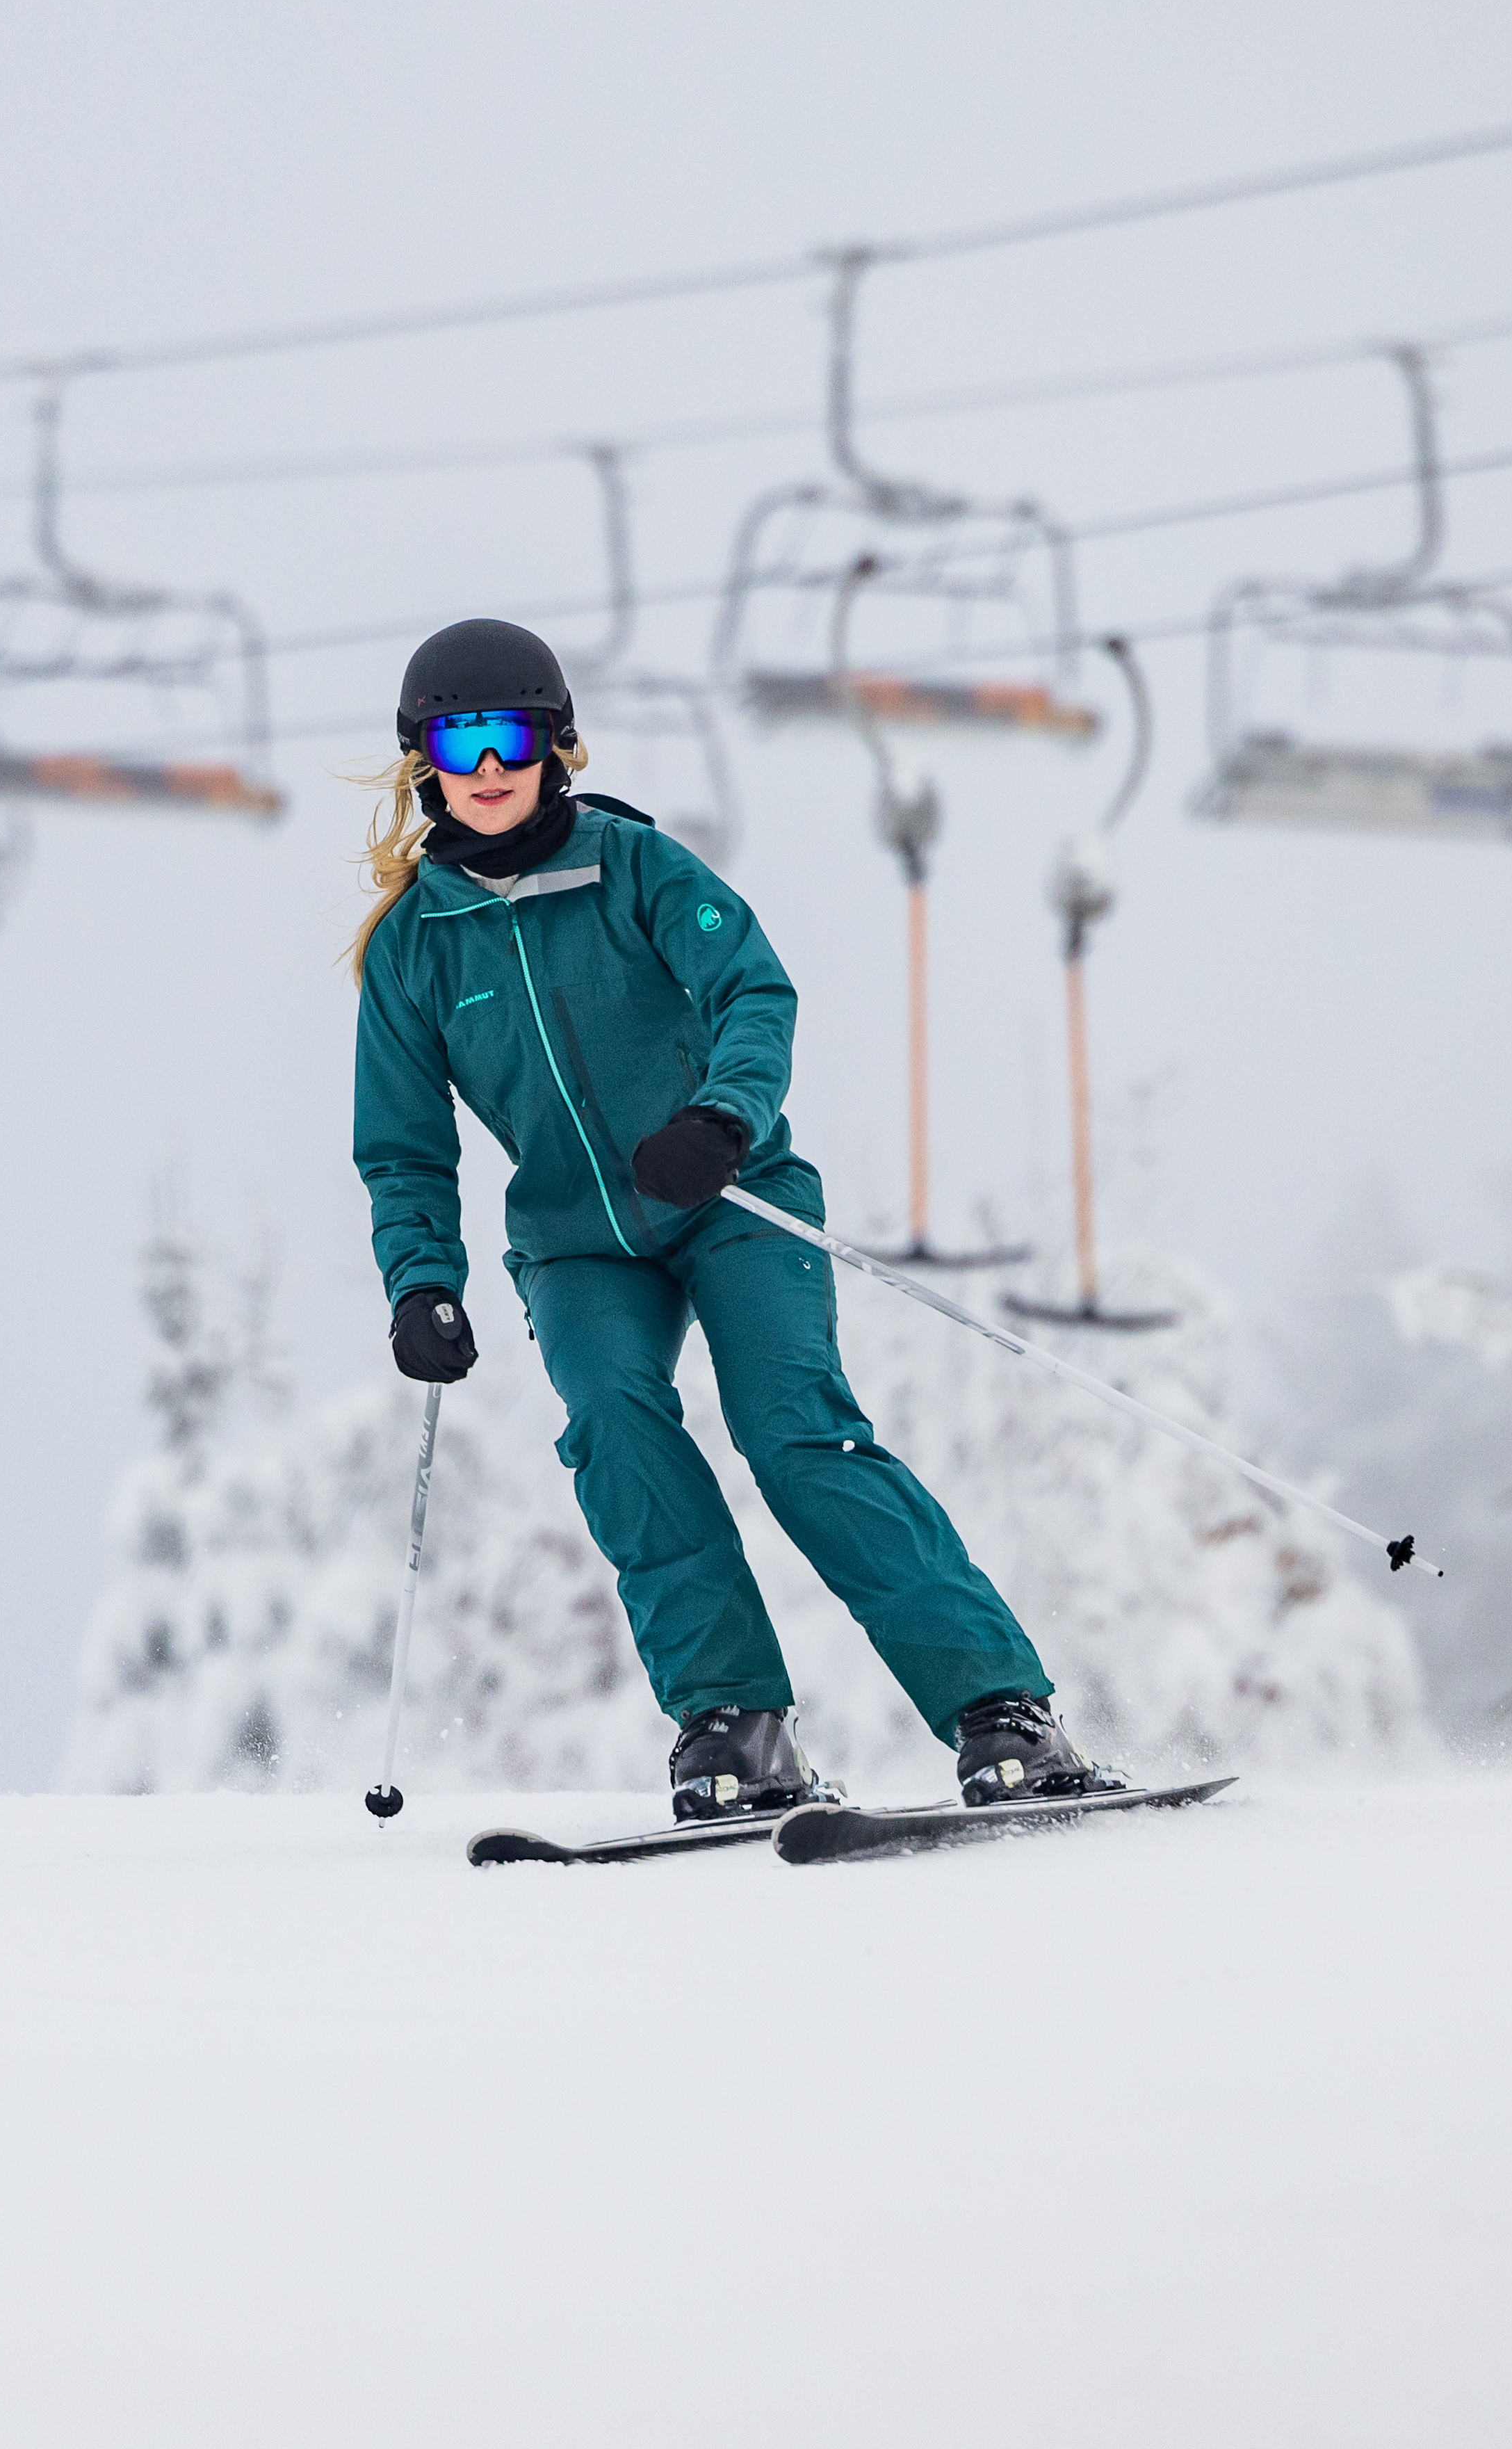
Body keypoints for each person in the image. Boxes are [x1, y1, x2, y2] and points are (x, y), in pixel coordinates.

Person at [347, 616, 1123, 1820]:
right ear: (423, 760)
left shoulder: (639, 872)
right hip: (575, 1241)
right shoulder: (413, 948)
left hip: (727, 1196)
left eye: (511, 734)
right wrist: (419, 1280)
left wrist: (722, 1115)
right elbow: (403, 1147)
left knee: (791, 1429)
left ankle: (998, 1708)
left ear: (557, 745)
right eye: (460, 740)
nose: (488, 765)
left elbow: (750, 988)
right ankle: (733, 1724)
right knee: (616, 1428)